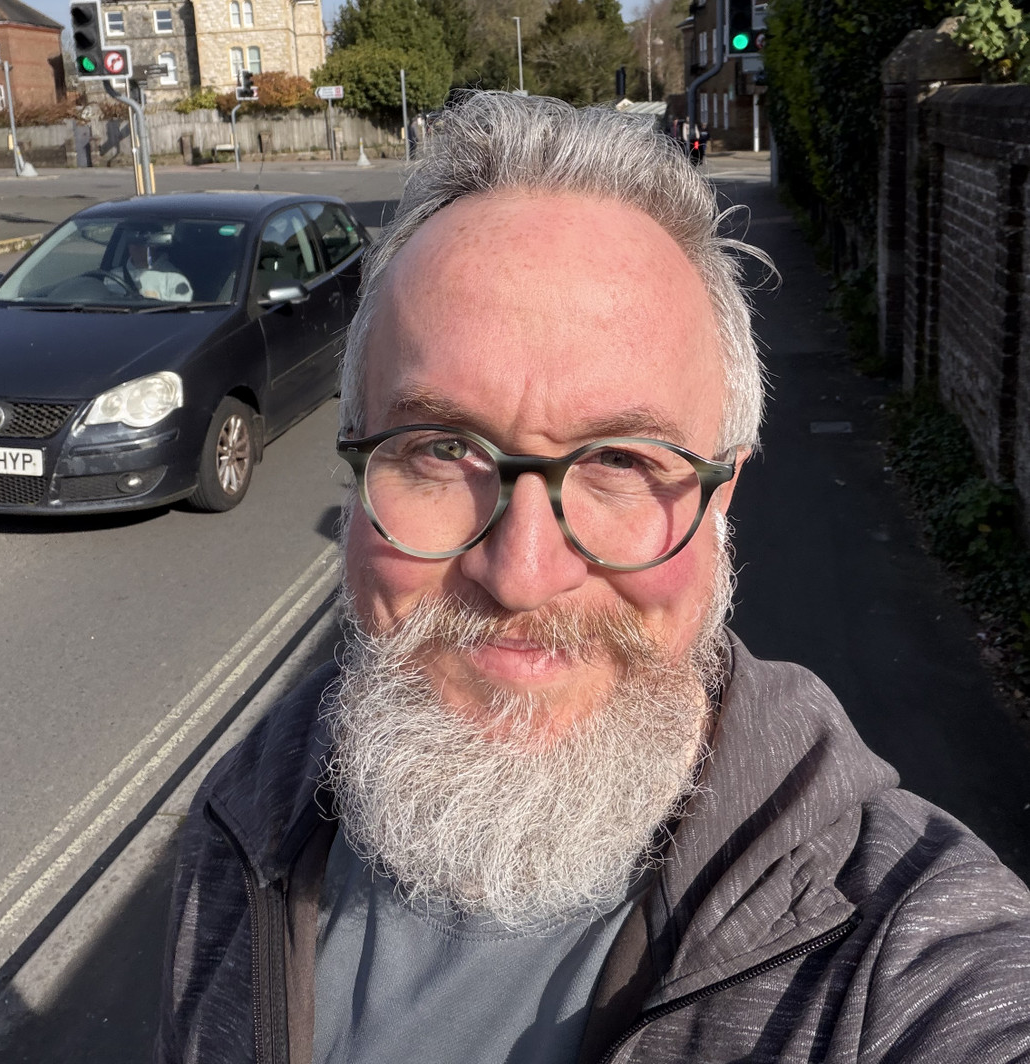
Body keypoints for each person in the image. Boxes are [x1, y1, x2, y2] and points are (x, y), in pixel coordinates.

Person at [157, 94, 1030, 1064]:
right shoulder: (240, 821)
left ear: (721, 496)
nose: (524, 574)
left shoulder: (905, 954)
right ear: (359, 471)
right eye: (442, 445)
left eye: (619, 459)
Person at [124, 233, 192, 302]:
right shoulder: (114, 277)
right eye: (133, 240)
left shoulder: (174, 278)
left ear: (154, 245)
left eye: (142, 241)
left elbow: (179, 310)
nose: (136, 245)